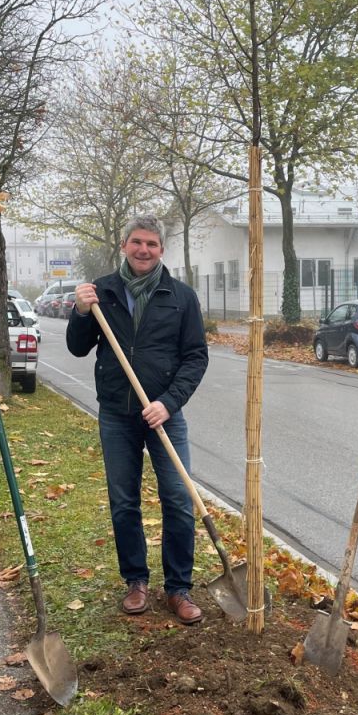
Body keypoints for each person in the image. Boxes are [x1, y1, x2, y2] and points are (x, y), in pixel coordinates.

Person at [67, 216, 209, 624]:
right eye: (136, 242)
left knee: (179, 500)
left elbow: (195, 356)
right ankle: (136, 581)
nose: (143, 250)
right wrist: (80, 312)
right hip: (116, 413)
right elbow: (78, 348)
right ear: (124, 244)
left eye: (151, 243)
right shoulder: (102, 292)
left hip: (165, 414)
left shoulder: (180, 297)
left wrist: (168, 402)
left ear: (161, 249)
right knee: (124, 501)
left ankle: (179, 588)